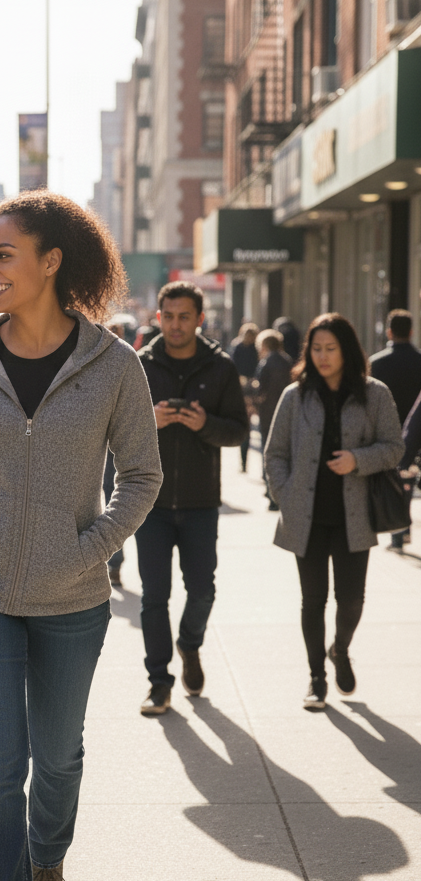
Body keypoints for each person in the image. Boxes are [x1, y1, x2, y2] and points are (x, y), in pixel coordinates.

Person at [0, 191, 162, 881]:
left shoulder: (114, 365)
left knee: (59, 756)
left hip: (71, 594)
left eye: (3, 255)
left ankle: (47, 857)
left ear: (51, 262)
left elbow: (141, 475)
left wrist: (88, 549)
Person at [264, 314, 403, 710]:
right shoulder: (295, 396)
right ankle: (316, 678)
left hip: (354, 516)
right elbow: (275, 454)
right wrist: (285, 495)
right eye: (316, 349)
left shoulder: (375, 394)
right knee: (313, 600)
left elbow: (394, 448)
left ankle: (340, 649)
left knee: (352, 600)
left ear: (347, 351)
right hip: (305, 516)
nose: (322, 357)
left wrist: (358, 459)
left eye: (331, 349)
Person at [136, 281, 248, 716]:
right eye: (168, 316)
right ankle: (159, 683)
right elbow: (112, 430)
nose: (175, 325)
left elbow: (238, 431)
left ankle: (189, 643)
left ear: (200, 319)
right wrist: (150, 421)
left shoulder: (221, 368)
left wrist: (206, 425)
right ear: (158, 317)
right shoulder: (141, 365)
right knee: (153, 597)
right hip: (151, 503)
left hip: (201, 503)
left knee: (202, 591)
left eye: (184, 317)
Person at [369, 309, 421, 549]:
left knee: (393, 479)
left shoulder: (377, 363)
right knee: (410, 476)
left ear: (389, 332)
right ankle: (402, 528)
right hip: (416, 430)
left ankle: (398, 530)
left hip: (387, 430)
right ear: (411, 332)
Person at [253, 329, 294, 508]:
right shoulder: (287, 361)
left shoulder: (266, 363)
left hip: (268, 413)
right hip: (286, 412)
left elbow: (260, 390)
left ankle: (272, 494)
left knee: (269, 452)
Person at [229, 322, 259, 471]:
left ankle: (245, 461)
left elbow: (258, 366)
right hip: (240, 387)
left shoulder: (256, 348)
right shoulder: (237, 347)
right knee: (244, 422)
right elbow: (232, 366)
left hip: (253, 388)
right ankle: (243, 461)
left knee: (249, 424)